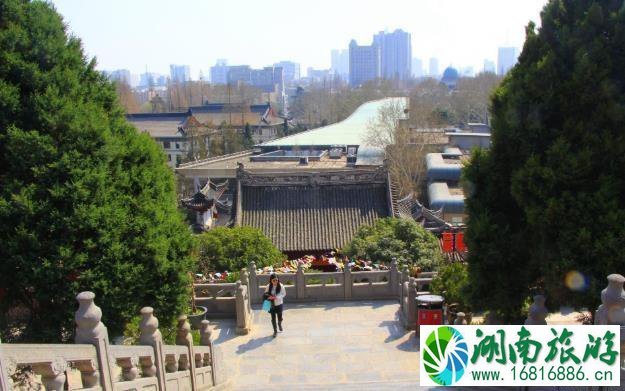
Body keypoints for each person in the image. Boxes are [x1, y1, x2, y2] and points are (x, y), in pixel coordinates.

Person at [266, 273, 286, 337]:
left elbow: (284, 294)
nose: (275, 282)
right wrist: (269, 297)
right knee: (273, 318)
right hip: (272, 304)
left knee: (280, 317)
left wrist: (277, 297)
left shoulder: (281, 285)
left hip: (279, 303)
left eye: (276, 280)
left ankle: (279, 323)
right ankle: (275, 331)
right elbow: (265, 294)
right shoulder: (268, 286)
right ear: (271, 280)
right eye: (273, 280)